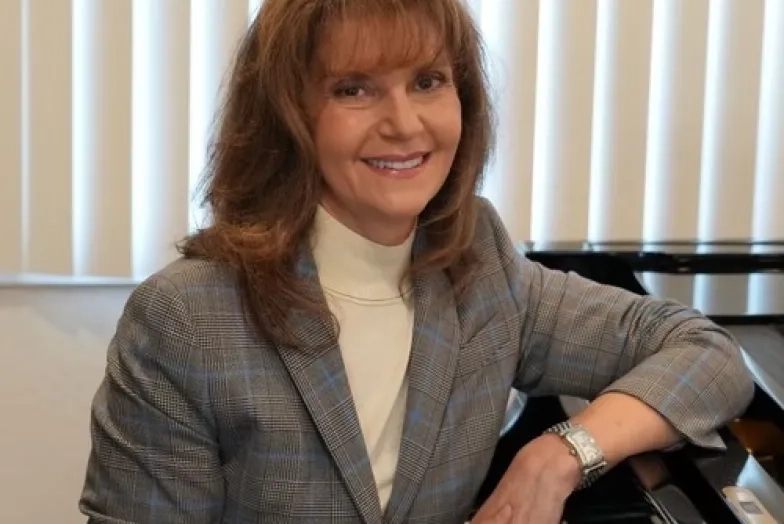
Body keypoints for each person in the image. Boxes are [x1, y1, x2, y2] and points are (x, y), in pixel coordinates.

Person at [78, 0, 754, 522]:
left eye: (427, 81)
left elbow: (704, 354)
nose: (405, 124)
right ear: (289, 115)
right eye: (355, 89)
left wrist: (558, 456)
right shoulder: (189, 317)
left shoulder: (474, 264)